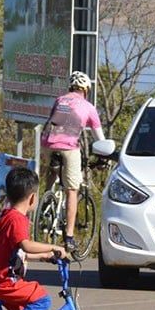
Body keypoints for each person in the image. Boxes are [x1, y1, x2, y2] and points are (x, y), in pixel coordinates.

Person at [0, 167, 70, 310]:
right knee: (43, 300)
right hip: (7, 282)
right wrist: (55, 246)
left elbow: (17, 252)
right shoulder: (18, 219)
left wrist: (45, 256)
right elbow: (25, 245)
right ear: (32, 197)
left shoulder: (7, 217)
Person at [42, 71, 106, 251]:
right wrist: (103, 158)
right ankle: (69, 237)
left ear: (70, 87)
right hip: (69, 147)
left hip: (47, 143)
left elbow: (56, 122)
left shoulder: (60, 100)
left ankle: (47, 198)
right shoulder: (89, 107)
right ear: (86, 90)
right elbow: (100, 139)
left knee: (54, 167)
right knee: (72, 190)